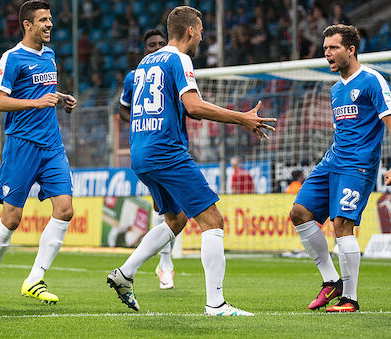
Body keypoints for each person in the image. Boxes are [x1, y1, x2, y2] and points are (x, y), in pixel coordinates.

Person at [107, 6, 276, 316]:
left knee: (176, 220)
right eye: (200, 31)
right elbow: (193, 106)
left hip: (140, 152)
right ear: (190, 31)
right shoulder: (178, 59)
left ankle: (125, 274)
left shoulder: (145, 62)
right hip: (165, 149)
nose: (202, 37)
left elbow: (129, 109)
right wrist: (241, 118)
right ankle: (216, 304)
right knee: (213, 221)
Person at [289, 24, 391, 313]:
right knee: (299, 213)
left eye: (333, 48)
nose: (326, 53)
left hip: (357, 166)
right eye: (325, 47)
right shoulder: (336, 89)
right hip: (332, 161)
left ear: (351, 49)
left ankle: (349, 299)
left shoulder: (372, 80)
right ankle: (331, 281)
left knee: (342, 225)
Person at [0, 0, 77, 306]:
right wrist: (36, 103)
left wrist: (61, 99)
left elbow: (42, 92)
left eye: (50, 19)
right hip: (21, 145)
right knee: (12, 217)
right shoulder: (12, 58)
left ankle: (35, 278)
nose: (50, 25)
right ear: (27, 24)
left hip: (51, 145)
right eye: (43, 20)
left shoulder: (50, 55)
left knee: (65, 209)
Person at [118, 29, 177, 290]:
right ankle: (164, 264)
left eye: (161, 43)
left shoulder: (174, 68)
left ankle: (152, 265)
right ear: (144, 50)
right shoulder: (133, 78)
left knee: (174, 210)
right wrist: (139, 125)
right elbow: (123, 108)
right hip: (150, 148)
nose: (156, 47)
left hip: (173, 145)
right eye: (151, 45)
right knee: (164, 207)